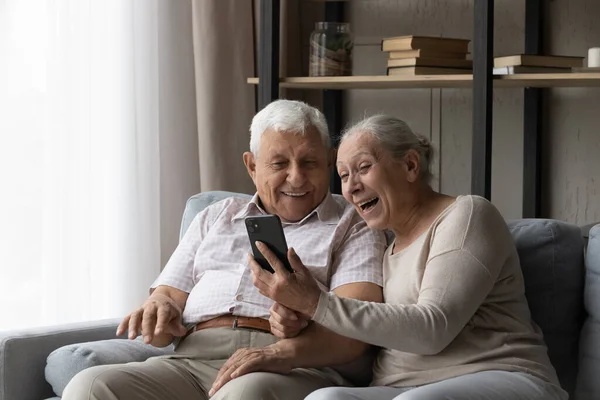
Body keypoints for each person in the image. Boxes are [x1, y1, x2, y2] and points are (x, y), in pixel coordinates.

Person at [62, 100, 387, 400]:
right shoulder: (216, 215)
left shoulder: (355, 223)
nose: (296, 177)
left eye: (309, 162)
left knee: (245, 392)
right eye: (279, 163)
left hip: (293, 363)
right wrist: (158, 311)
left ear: (330, 162)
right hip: (192, 360)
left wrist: (278, 351)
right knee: (90, 386)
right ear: (252, 166)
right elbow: (167, 302)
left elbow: (357, 329)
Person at [249, 115, 569, 400]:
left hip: (503, 376)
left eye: (363, 168)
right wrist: (302, 321)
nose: (351, 189)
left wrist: (316, 303)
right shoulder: (387, 248)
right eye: (344, 176)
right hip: (401, 387)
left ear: (411, 166)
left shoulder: (467, 215)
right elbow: (376, 333)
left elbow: (432, 329)